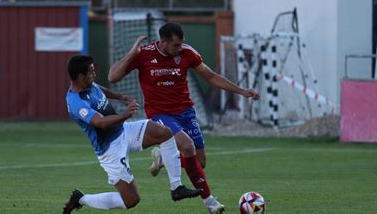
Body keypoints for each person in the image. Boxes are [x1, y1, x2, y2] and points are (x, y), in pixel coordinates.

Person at [108, 22, 259, 214]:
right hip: (159, 114)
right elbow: (113, 77)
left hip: (186, 111)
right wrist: (131, 54)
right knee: (187, 146)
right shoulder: (144, 54)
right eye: (176, 45)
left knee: (199, 161)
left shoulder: (188, 53)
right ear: (163, 43)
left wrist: (241, 91)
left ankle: (164, 157)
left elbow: (211, 77)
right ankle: (210, 202)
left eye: (181, 44)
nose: (180, 49)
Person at [63, 55, 202, 214]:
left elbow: (98, 88)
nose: (94, 75)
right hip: (110, 150)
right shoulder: (76, 102)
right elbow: (99, 122)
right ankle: (80, 199)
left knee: (164, 132)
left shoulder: (88, 84)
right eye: (91, 72)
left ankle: (177, 188)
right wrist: (125, 114)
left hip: (124, 131)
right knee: (131, 200)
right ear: (81, 76)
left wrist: (120, 97)